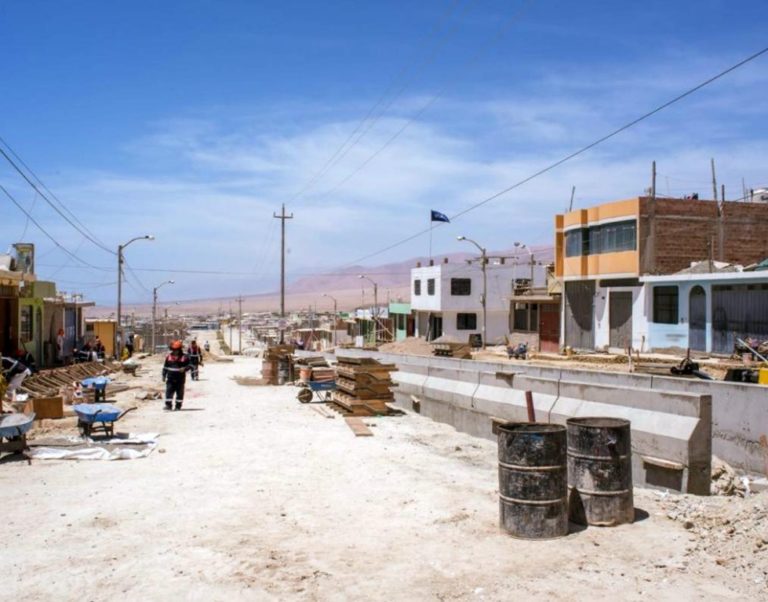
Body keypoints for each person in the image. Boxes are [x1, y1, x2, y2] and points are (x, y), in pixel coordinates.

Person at [162, 340, 190, 411]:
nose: (175, 351)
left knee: (179, 393)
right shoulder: (169, 357)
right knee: (169, 391)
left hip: (180, 379)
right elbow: (165, 367)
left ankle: (178, 406)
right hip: (170, 379)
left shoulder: (184, 357)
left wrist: (184, 368)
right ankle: (168, 405)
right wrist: (163, 375)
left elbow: (190, 365)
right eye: (174, 350)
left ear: (179, 349)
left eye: (176, 350)